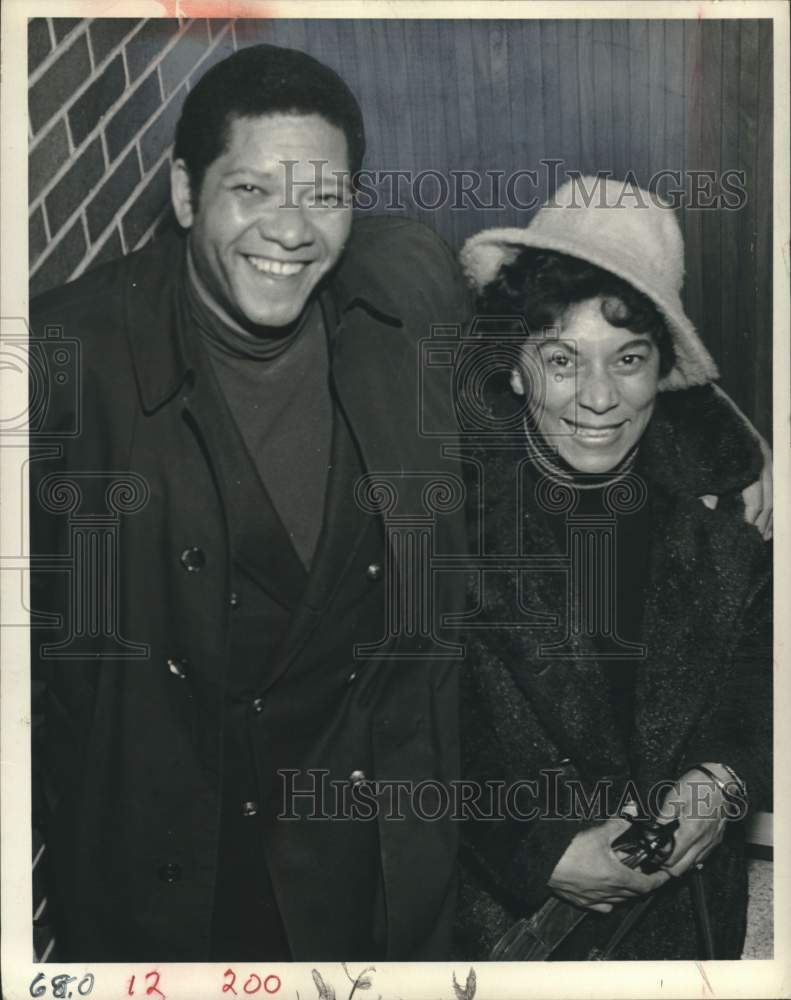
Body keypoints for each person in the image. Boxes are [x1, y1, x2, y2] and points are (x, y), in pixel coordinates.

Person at [29, 44, 469, 962]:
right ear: (187, 195)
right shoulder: (63, 358)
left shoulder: (409, 281)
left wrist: (715, 441)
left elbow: (546, 373)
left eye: (322, 194)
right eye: (253, 190)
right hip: (178, 876)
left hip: (368, 853)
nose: (291, 229)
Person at [453, 176, 772, 960]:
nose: (598, 398)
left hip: (683, 927)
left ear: (662, 370)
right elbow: (403, 727)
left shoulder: (719, 518)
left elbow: (760, 680)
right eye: (563, 358)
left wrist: (722, 785)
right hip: (506, 922)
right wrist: (539, 850)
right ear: (516, 363)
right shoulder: (442, 512)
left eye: (627, 358)